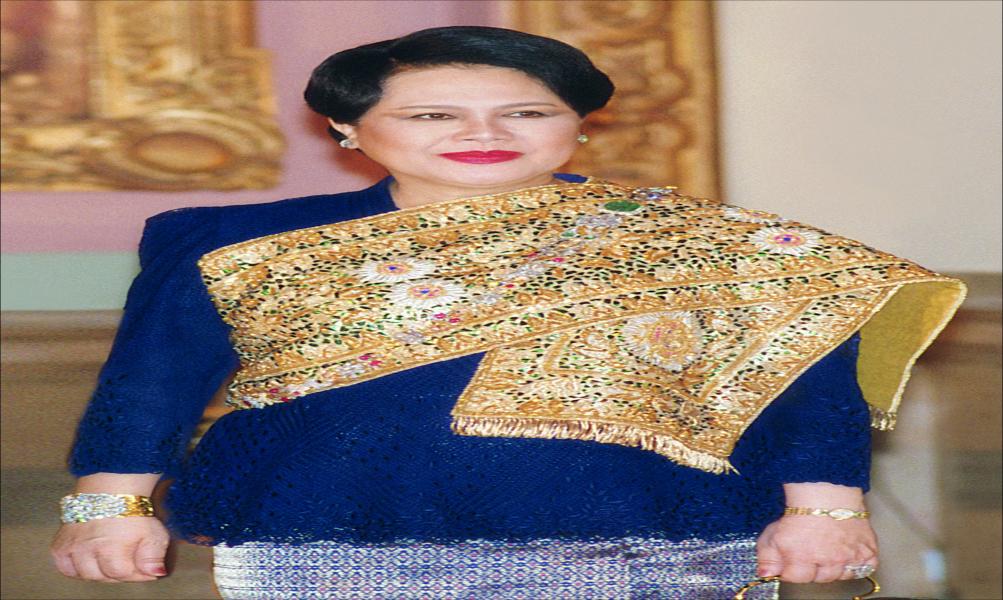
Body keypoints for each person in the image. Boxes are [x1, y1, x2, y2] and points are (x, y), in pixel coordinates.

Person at [50, 26, 965, 599]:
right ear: (348, 129)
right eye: (432, 115)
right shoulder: (230, 242)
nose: (482, 135)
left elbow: (802, 380)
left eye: (528, 112)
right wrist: (108, 505)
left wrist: (825, 511)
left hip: (653, 542)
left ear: (577, 126)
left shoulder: (706, 242)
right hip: (329, 535)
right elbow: (151, 383)